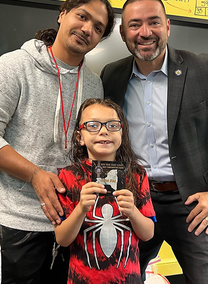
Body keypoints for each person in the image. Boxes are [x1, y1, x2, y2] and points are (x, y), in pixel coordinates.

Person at [100, 0, 208, 284]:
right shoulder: (112, 75)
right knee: (120, 279)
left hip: (195, 203)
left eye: (153, 22)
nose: (145, 32)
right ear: (122, 33)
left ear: (167, 26)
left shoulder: (204, 68)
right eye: (134, 25)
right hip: (135, 200)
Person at [0, 0, 115, 284]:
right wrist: (35, 174)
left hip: (75, 221)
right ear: (62, 14)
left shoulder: (94, 84)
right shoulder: (14, 66)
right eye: (82, 16)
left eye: (98, 28)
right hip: (22, 222)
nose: (87, 29)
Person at [54, 98, 156, 284]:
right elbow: (62, 239)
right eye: (93, 125)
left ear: (122, 133)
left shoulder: (137, 174)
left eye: (112, 125)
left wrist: (132, 211)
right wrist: (81, 209)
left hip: (128, 279)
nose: (103, 130)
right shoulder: (68, 177)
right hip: (82, 279)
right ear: (80, 137)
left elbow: (148, 233)